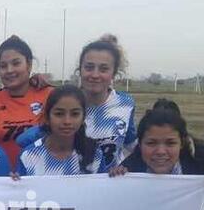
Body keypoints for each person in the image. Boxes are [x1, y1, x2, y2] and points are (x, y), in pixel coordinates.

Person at [18, 34, 135, 169]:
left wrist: (125, 167)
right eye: (89, 67)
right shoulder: (66, 104)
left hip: (109, 187)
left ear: (114, 73)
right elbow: (24, 141)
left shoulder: (126, 103)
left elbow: (134, 146)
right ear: (80, 70)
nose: (95, 75)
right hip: (71, 183)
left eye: (103, 69)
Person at [0, 35, 54, 168]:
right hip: (3, 179)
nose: (9, 70)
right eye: (3, 66)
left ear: (28, 64)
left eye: (16, 63)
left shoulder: (50, 95)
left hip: (41, 177)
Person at [17, 85, 107, 176]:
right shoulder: (29, 155)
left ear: (83, 118)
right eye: (59, 114)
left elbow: (103, 188)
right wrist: (14, 184)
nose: (67, 121)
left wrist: (116, 177)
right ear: (47, 117)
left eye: (75, 114)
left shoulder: (94, 154)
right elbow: (22, 189)